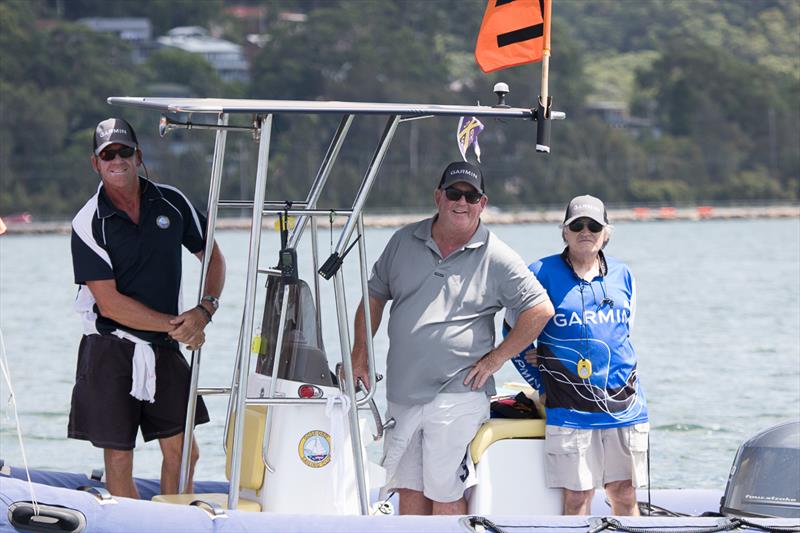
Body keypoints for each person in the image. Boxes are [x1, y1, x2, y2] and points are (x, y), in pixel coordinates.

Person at [350, 161, 555, 515]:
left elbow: (539, 310)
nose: (462, 202)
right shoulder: (402, 241)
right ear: (438, 197)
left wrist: (496, 359)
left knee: (445, 491)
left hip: (458, 394)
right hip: (402, 392)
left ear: (483, 203)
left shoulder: (497, 255)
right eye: (454, 193)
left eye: (471, 195)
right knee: (409, 490)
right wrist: (359, 356)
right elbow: (373, 298)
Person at [69, 118, 226, 498]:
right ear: (96, 163)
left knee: (184, 451)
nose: (117, 160)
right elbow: (110, 303)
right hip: (110, 347)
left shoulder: (171, 201)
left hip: (166, 346)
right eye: (108, 154)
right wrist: (181, 326)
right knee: (120, 460)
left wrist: (204, 311)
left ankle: (173, 522)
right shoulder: (87, 222)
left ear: (138, 156)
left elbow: (214, 257)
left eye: (124, 151)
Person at [507, 195, 648, 515]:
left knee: (624, 494)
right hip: (569, 410)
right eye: (577, 225)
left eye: (594, 225)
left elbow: (624, 335)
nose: (586, 231)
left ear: (606, 233)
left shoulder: (624, 274)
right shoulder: (540, 272)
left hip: (624, 407)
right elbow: (510, 332)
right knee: (577, 497)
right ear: (565, 232)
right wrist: (541, 383)